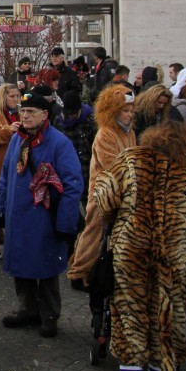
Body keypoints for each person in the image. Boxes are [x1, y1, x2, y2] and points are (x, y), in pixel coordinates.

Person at [94, 122, 186, 371]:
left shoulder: (131, 160)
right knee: (166, 309)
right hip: (173, 253)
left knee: (130, 308)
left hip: (133, 247)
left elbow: (105, 199)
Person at [0, 90, 83, 337]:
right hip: (18, 216)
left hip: (44, 219)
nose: (24, 116)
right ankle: (27, 309)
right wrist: (1, 209)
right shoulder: (17, 139)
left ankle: (49, 314)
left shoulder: (59, 143)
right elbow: (5, 176)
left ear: (44, 114)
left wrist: (65, 224)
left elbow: (73, 184)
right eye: (22, 111)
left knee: (45, 267)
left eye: (30, 112)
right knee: (20, 265)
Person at [66, 85, 134, 289]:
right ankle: (79, 272)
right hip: (102, 191)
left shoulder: (128, 132)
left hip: (121, 190)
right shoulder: (106, 133)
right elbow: (113, 165)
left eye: (131, 110)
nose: (130, 115)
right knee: (94, 230)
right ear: (113, 111)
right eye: (125, 110)